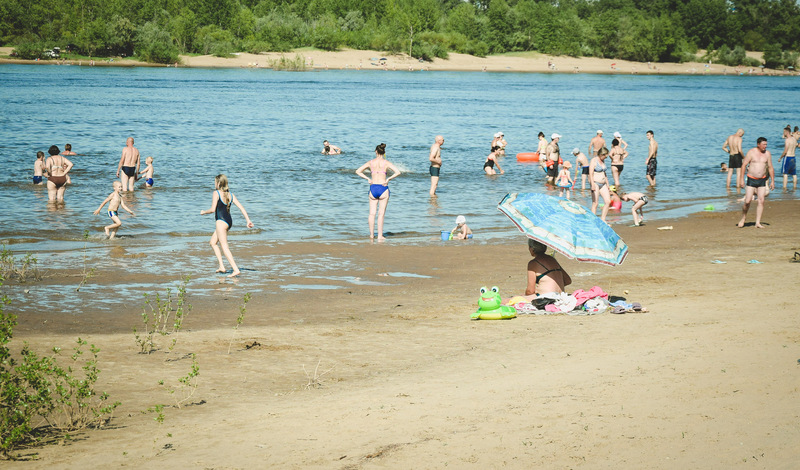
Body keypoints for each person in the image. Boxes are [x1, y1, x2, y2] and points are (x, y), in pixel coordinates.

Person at [200, 174, 255, 276]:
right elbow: (241, 208)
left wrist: (204, 212)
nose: (214, 184)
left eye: (215, 182)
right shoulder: (230, 194)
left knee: (225, 247)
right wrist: (248, 221)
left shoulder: (216, 193)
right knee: (212, 242)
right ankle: (222, 266)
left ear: (219, 183)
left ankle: (235, 269)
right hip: (228, 221)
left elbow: (212, 210)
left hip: (221, 222)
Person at [356, 143, 401, 241]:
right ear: (384, 152)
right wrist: (388, 179)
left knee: (372, 213)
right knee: (381, 214)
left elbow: (358, 171)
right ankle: (380, 236)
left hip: (373, 188)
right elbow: (398, 172)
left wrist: (367, 178)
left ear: (376, 151)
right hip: (383, 188)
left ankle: (372, 235)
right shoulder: (386, 163)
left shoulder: (370, 162)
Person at [737, 137, 774, 228]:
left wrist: (772, 181)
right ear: (758, 144)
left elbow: (770, 167)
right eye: (763, 144)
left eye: (766, 144)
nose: (765, 146)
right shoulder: (751, 152)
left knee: (761, 201)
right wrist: (741, 179)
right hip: (751, 179)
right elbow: (744, 165)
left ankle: (757, 223)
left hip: (762, 179)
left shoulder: (767, 154)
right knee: (748, 201)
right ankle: (743, 218)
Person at [589, 147, 612, 222]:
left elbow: (604, 173)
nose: (606, 157)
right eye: (605, 156)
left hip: (603, 184)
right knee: (595, 203)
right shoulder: (594, 160)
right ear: (602, 154)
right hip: (595, 183)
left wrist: (607, 184)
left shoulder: (603, 161)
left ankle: (603, 219)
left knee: (608, 201)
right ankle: (593, 221)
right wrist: (592, 184)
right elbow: (590, 173)